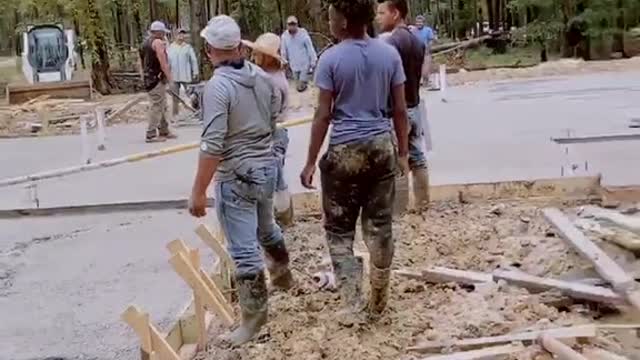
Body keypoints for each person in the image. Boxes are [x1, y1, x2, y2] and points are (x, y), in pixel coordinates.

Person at [300, 0, 409, 322]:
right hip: (380, 147)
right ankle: (379, 296)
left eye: (332, 16)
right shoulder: (389, 55)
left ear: (344, 21)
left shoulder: (330, 59)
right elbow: (400, 110)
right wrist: (402, 153)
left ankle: (353, 301)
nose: (330, 21)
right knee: (379, 226)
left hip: (345, 150)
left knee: (339, 231)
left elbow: (323, 115)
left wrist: (310, 162)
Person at [188, 15, 294, 347]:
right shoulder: (262, 78)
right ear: (239, 46)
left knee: (245, 251)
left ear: (209, 50)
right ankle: (282, 276)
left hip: (236, 176)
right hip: (265, 169)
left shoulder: (218, 87)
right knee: (267, 229)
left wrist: (198, 191)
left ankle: (253, 320)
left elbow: (213, 145)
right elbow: (272, 118)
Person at [377, 0, 431, 207]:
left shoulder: (391, 44)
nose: (378, 17)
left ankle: (399, 209)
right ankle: (422, 203)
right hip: (415, 106)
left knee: (397, 159)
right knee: (417, 156)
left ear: (396, 13)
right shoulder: (417, 41)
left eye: (382, 13)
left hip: (396, 112)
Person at [242, 33, 294, 227]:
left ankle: (281, 217)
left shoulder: (272, 82)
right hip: (275, 131)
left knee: (275, 177)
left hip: (274, 132)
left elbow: (269, 114)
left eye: (257, 55)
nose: (254, 58)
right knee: (276, 175)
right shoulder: (269, 77)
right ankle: (282, 216)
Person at [141, 21, 176, 143]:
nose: (163, 35)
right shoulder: (158, 43)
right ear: (159, 32)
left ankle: (164, 129)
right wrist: (170, 78)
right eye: (162, 32)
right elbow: (163, 62)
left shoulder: (145, 43)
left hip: (148, 77)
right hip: (156, 78)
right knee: (157, 105)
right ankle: (151, 133)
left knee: (162, 104)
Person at [280, 16, 317, 92]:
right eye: (290, 24)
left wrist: (313, 60)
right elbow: (283, 51)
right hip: (293, 65)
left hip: (304, 63)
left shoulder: (303, 33)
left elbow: (310, 48)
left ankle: (304, 85)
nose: (291, 26)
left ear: (297, 25)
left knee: (301, 86)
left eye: (293, 24)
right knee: (297, 86)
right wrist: (283, 62)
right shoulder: (284, 36)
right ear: (287, 25)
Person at [168, 28, 199, 116]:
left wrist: (195, 72)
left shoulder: (187, 47)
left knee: (191, 95)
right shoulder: (171, 47)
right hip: (174, 75)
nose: (181, 36)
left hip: (185, 75)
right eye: (179, 34)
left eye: (183, 34)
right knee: (175, 97)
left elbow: (193, 60)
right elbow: (168, 61)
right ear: (175, 36)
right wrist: (167, 74)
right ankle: (175, 115)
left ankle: (195, 113)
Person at [412, 15, 435, 85]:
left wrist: (428, 49)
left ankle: (426, 80)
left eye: (420, 22)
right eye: (417, 22)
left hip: (425, 51)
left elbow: (431, 40)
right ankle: (417, 82)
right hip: (415, 52)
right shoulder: (413, 30)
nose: (419, 23)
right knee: (416, 68)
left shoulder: (428, 30)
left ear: (423, 23)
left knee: (425, 68)